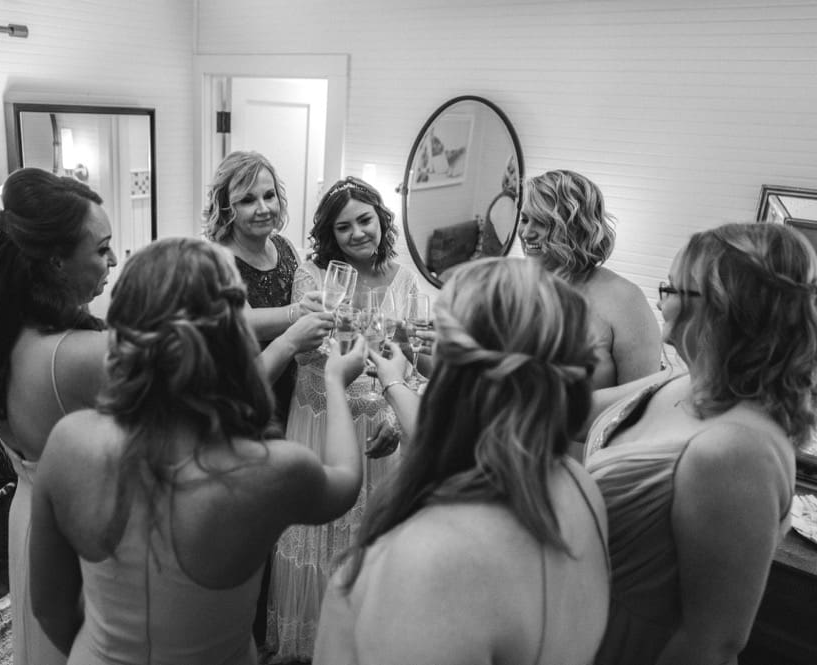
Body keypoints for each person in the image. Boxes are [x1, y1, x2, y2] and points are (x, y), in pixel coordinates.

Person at [28, 237, 369, 665]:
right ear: (232, 336)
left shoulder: (68, 441)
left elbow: (49, 607)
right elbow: (345, 481)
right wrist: (335, 380)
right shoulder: (268, 468)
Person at [313, 257, 611, 665]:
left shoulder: (429, 560)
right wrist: (395, 382)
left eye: (438, 333)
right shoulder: (579, 485)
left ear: (453, 372)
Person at [582, 222, 817, 665]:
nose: (659, 300)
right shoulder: (684, 380)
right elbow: (576, 411)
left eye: (671, 288)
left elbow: (712, 642)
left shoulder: (737, 452)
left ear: (720, 307)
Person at [0, 167, 117, 665]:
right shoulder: (82, 355)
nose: (112, 261)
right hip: (83, 532)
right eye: (102, 249)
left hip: (29, 519)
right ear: (57, 261)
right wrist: (287, 338)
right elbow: (200, 404)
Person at [265, 176, 420, 661]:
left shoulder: (404, 279)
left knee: (368, 541)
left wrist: (394, 411)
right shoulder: (313, 276)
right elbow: (307, 355)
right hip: (320, 417)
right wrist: (358, 342)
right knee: (317, 529)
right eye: (343, 227)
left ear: (381, 218)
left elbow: (410, 356)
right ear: (330, 233)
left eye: (365, 220)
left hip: (380, 423)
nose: (357, 233)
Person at [203, 150, 331, 428]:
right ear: (225, 207)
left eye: (269, 195)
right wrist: (298, 312)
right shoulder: (216, 260)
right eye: (248, 200)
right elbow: (245, 322)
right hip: (247, 399)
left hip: (293, 394)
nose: (263, 208)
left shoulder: (284, 246)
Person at [519, 169, 661, 389]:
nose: (526, 233)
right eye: (525, 219)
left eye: (541, 222)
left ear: (575, 227)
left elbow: (639, 399)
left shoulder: (624, 299)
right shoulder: (513, 288)